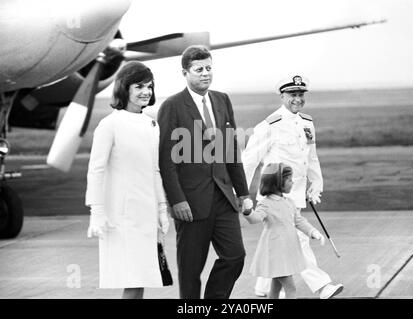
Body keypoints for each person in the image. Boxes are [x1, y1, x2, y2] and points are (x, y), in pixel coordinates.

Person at [157, 45, 249, 299]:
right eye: (199, 70)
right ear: (185, 73)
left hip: (223, 197)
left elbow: (231, 150)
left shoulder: (222, 99)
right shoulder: (172, 106)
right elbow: (166, 160)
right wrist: (176, 200)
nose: (205, 74)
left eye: (209, 68)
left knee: (235, 256)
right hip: (190, 202)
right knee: (190, 270)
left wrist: (243, 192)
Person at [242, 74, 344, 299]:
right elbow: (249, 160)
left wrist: (316, 184)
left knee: (276, 241)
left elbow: (311, 157)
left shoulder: (307, 122)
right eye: (292, 95)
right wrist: (241, 195)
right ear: (282, 96)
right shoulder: (269, 125)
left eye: (300, 95)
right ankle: (322, 286)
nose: (297, 99)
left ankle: (262, 287)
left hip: (295, 194)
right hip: (273, 196)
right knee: (298, 241)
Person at [85, 61, 171, 299]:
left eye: (149, 86)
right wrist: (97, 211)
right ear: (124, 88)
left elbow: (155, 170)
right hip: (121, 217)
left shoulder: (151, 123)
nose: (146, 92)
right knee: (132, 280)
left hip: (146, 214)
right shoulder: (110, 124)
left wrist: (162, 208)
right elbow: (96, 170)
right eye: (139, 86)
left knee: (141, 278)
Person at [243, 163, 325, 299]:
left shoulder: (289, 202)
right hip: (275, 252)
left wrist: (312, 232)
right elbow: (255, 218)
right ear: (278, 183)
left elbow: (298, 221)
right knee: (291, 288)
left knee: (275, 287)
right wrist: (248, 211)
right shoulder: (266, 203)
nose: (292, 182)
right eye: (289, 180)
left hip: (286, 251)